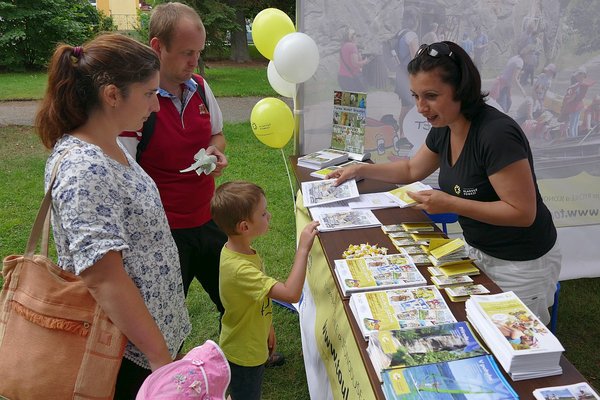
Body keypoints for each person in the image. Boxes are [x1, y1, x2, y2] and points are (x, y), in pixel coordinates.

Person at [327, 41, 561, 325]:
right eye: (415, 96)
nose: (421, 107)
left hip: (522, 262)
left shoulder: (496, 134)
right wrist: (362, 169)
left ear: (461, 89)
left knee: (515, 339)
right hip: (480, 250)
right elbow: (412, 168)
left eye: (431, 96)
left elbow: (523, 213)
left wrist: (450, 203)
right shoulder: (445, 126)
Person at [35, 33, 191, 398]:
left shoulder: (111, 143)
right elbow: (103, 278)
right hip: (124, 354)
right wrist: (160, 359)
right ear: (112, 95)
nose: (156, 106)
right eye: (149, 94)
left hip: (151, 337)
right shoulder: (83, 167)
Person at [118, 2, 228, 324]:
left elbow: (217, 134)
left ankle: (252, 352)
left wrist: (215, 151)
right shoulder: (137, 101)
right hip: (163, 233)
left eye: (199, 52)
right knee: (164, 317)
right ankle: (165, 372)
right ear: (157, 47)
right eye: (186, 53)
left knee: (233, 296)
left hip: (209, 218)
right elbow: (124, 172)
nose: (195, 62)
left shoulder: (201, 89)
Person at [210, 181, 319, 400]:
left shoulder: (241, 251)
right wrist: (303, 248)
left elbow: (256, 299)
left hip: (252, 341)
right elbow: (291, 294)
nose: (269, 216)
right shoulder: (239, 269)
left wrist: (267, 327)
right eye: (263, 214)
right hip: (244, 354)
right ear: (244, 227)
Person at [393, 7, 420, 137]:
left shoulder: (399, 34)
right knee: (410, 106)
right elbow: (415, 58)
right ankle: (406, 134)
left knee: (405, 105)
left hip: (400, 73)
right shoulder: (411, 35)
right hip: (409, 75)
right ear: (414, 20)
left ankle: (402, 133)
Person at [338, 27, 370, 92]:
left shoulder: (343, 46)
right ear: (352, 37)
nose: (356, 37)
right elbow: (355, 64)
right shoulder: (352, 46)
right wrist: (365, 61)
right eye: (355, 35)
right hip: (351, 78)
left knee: (346, 100)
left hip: (341, 77)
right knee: (359, 100)